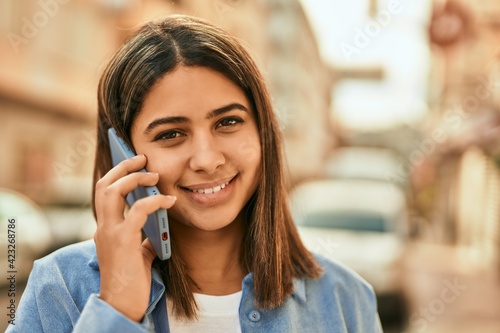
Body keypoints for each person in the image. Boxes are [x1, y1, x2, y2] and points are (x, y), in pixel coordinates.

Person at [8, 15, 383, 333]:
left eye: (229, 122)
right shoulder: (58, 287)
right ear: (122, 153)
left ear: (263, 131)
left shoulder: (345, 299)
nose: (206, 159)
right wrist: (116, 311)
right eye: (171, 134)